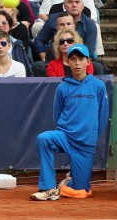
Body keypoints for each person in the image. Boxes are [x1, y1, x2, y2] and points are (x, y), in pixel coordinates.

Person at [30, 43, 108, 201]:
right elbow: (57, 115)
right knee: (44, 138)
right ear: (68, 62)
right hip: (65, 136)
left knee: (81, 191)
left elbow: (103, 117)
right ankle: (48, 188)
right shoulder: (62, 88)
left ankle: (70, 180)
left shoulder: (98, 86)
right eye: (73, 59)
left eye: (80, 59)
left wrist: (91, 138)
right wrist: (64, 131)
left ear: (88, 62)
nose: (77, 63)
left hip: (85, 144)